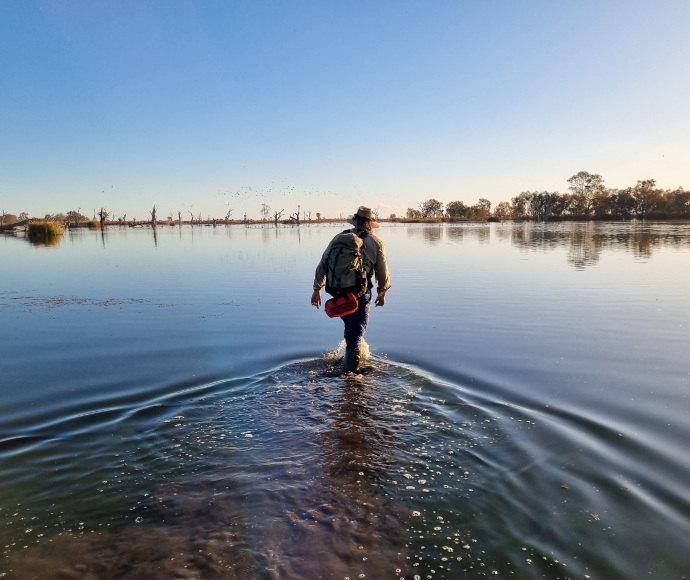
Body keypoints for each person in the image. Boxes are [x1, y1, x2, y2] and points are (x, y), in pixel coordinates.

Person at [311, 206, 391, 372]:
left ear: (355, 221)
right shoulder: (375, 242)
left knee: (350, 327)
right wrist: (382, 292)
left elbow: (323, 263)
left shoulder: (340, 238)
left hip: (339, 292)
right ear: (370, 224)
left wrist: (317, 289)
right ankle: (351, 376)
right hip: (360, 292)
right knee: (357, 331)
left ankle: (347, 365)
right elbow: (382, 271)